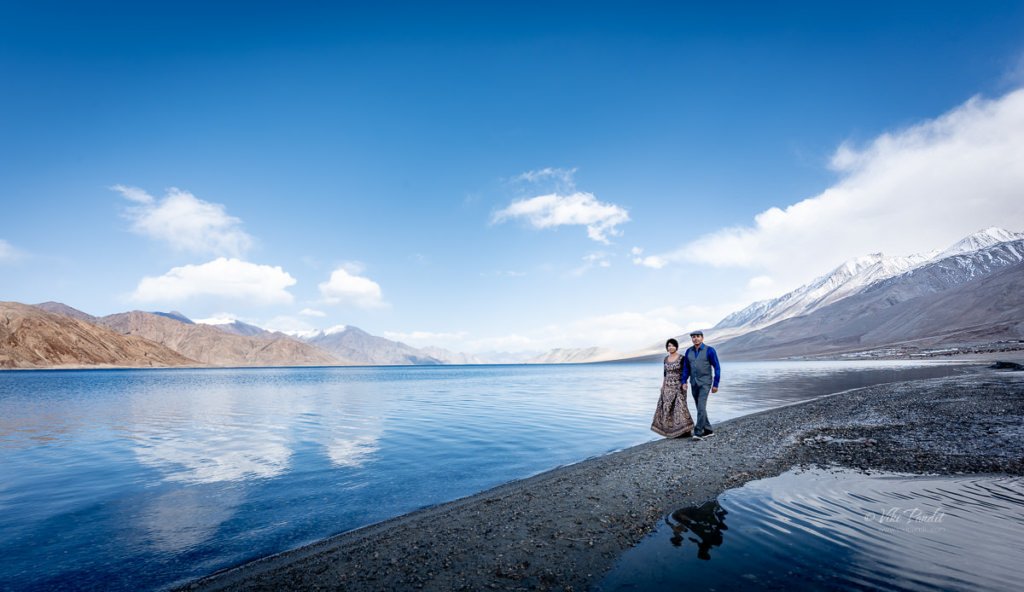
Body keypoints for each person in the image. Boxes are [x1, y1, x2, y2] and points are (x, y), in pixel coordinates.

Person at [681, 330, 721, 440]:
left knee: (701, 406)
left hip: (705, 383)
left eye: (698, 336)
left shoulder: (709, 350)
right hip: (693, 383)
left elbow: (716, 367)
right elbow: (686, 368)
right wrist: (684, 381)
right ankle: (708, 430)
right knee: (700, 407)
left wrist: (715, 384)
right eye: (693, 337)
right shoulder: (689, 351)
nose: (696, 339)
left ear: (702, 338)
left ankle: (698, 432)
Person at [651, 338, 695, 438]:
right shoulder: (665, 359)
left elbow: (685, 372)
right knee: (668, 408)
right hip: (667, 386)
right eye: (669, 346)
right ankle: (672, 432)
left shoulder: (682, 358)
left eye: (672, 345)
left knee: (680, 407)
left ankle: (686, 431)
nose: (670, 347)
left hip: (679, 385)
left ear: (676, 347)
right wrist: (663, 386)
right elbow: (665, 374)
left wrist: (684, 383)